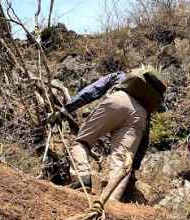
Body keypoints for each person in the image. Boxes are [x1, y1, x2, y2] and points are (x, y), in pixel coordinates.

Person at [48, 65, 167, 201]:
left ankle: (83, 180)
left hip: (117, 100)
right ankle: (111, 202)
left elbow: (93, 90)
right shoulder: (147, 101)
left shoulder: (120, 76)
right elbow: (145, 136)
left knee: (82, 142)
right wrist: (134, 165)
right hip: (140, 116)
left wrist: (66, 110)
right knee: (122, 162)